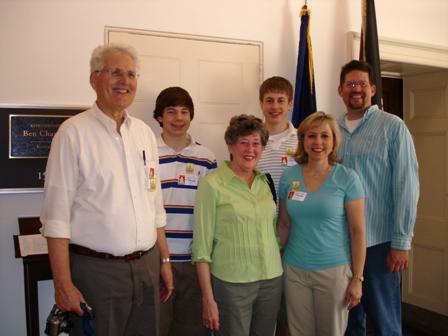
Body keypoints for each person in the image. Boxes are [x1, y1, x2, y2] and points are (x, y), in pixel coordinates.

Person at [40, 44, 173, 336]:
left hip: (148, 266)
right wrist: (63, 285)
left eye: (131, 74)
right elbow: (56, 218)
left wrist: (164, 261)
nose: (125, 81)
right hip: (97, 272)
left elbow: (155, 204)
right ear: (94, 79)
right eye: (115, 72)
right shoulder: (72, 134)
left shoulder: (144, 134)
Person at [337, 60, 419, 336]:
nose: (356, 89)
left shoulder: (392, 127)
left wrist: (401, 241)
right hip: (338, 244)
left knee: (386, 324)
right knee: (349, 324)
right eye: (350, 84)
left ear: (372, 89)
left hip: (379, 244)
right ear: (340, 90)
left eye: (362, 84)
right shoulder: (330, 131)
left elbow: (406, 185)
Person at [192, 115, 283, 336]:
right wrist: (208, 299)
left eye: (256, 143)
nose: (250, 149)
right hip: (232, 283)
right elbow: (201, 250)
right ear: (231, 146)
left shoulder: (266, 182)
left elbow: (274, 232)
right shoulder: (211, 185)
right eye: (243, 142)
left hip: (271, 279)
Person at [277, 111, 366, 336]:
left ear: (334, 141)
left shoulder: (347, 178)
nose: (318, 142)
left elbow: (357, 232)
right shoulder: (289, 177)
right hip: (294, 270)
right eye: (311, 136)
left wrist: (357, 278)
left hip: (334, 272)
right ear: (303, 140)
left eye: (325, 136)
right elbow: (284, 224)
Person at [154, 86, 217, 336]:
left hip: (195, 263)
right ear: (159, 116)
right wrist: (161, 258)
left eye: (184, 111)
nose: (178, 118)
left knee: (192, 330)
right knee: (157, 328)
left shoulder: (206, 158)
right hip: (158, 260)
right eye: (171, 112)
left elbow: (213, 212)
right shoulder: (146, 154)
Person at [257, 76, 298, 202]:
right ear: (261, 104)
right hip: (258, 217)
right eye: (269, 101)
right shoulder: (251, 141)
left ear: (290, 104)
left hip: (293, 218)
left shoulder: (302, 140)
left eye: (281, 101)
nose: (275, 106)